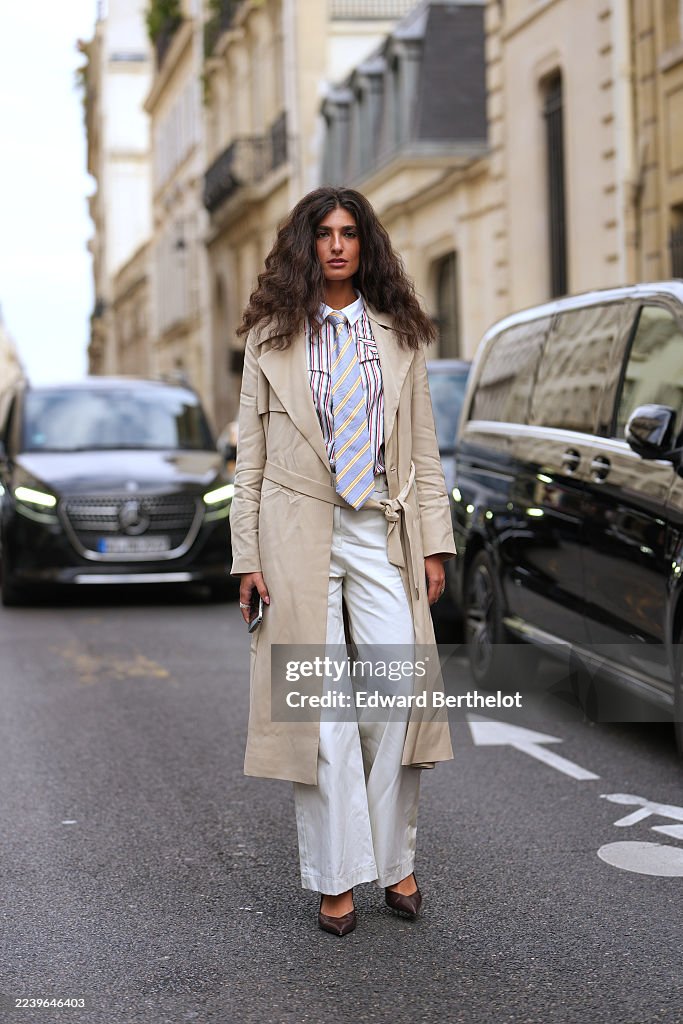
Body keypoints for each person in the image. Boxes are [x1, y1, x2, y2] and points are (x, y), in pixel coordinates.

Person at [230, 186, 455, 936]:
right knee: (320, 715)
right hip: (293, 532)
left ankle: (394, 860)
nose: (335, 245)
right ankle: (335, 879)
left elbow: (421, 448)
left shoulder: (400, 335)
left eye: (348, 233)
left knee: (396, 697)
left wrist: (431, 541)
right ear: (305, 245)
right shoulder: (269, 338)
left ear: (366, 246)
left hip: (378, 529)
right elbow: (249, 462)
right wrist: (246, 558)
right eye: (323, 233)